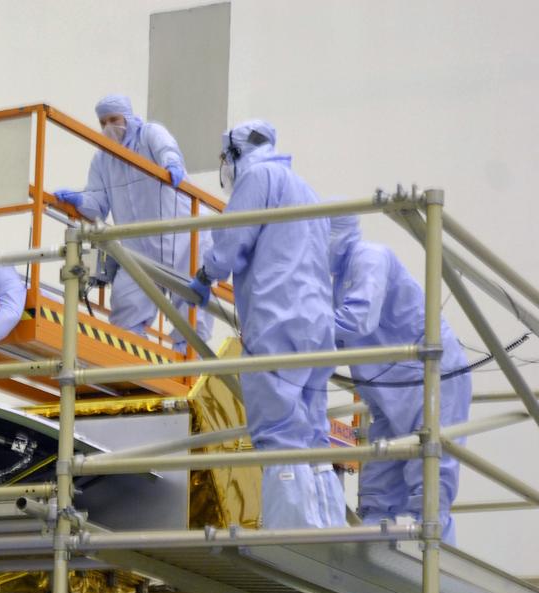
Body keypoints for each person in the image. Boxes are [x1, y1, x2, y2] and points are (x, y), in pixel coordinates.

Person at [187, 121, 345, 528]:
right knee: (313, 433)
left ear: (235, 152)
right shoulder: (303, 187)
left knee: (278, 429)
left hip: (279, 320)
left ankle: (289, 533)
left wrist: (206, 274)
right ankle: (327, 526)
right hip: (316, 324)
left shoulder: (257, 177)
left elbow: (233, 238)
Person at [328, 215, 471, 543]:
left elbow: (358, 320)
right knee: (378, 488)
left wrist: (302, 333)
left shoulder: (370, 257)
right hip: (388, 390)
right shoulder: (339, 280)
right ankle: (374, 556)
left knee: (429, 485)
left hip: (430, 378)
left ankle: (435, 562)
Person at [53, 94, 213, 351]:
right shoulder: (102, 159)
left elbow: (167, 151)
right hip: (138, 247)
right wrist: (79, 199)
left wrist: (172, 164)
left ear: (127, 116)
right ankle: (136, 359)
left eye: (114, 119)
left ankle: (188, 361)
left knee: (191, 310)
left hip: (183, 237)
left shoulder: (149, 134)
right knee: (125, 310)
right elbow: (98, 203)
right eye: (103, 122)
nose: (109, 127)